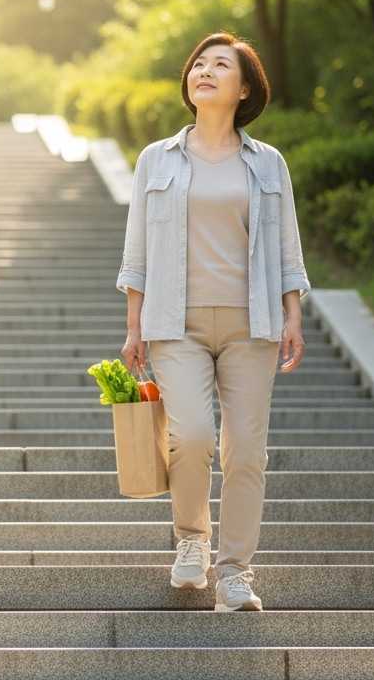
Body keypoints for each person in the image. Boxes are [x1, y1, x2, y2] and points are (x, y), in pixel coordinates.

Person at [116, 31, 310, 612]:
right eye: (198, 64)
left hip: (253, 324)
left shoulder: (268, 163)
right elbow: (137, 250)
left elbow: (287, 247)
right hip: (175, 323)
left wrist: (293, 313)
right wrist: (134, 325)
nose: (204, 71)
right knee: (193, 434)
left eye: (220, 65)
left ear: (244, 87)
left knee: (246, 449)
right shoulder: (157, 159)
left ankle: (235, 573)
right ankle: (192, 541)